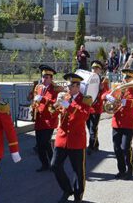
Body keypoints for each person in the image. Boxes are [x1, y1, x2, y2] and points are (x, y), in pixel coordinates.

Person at [52, 73, 94, 203]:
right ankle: (66, 189)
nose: (67, 88)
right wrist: (54, 106)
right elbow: (53, 112)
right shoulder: (65, 97)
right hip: (62, 138)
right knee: (54, 165)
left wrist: (68, 106)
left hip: (76, 140)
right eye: (67, 85)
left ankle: (77, 197)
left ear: (77, 86)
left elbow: (83, 117)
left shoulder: (85, 99)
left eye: (69, 85)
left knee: (78, 171)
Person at [102, 68, 133, 180]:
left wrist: (128, 102)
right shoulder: (117, 86)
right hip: (117, 122)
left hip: (129, 122)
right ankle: (121, 170)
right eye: (124, 77)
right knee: (117, 148)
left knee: (125, 147)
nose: (125, 79)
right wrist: (108, 97)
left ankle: (129, 169)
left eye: (128, 77)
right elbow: (104, 95)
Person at [33, 64, 60, 172]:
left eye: (46, 77)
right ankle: (45, 164)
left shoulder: (56, 89)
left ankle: (54, 163)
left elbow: (56, 103)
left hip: (50, 120)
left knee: (45, 142)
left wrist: (43, 99)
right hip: (39, 119)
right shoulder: (39, 88)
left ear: (51, 78)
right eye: (43, 76)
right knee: (40, 145)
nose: (44, 79)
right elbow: (35, 100)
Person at [87, 60, 110, 155]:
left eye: (96, 68)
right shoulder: (87, 79)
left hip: (96, 108)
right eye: (93, 68)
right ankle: (96, 144)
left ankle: (91, 147)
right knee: (90, 128)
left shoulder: (103, 79)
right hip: (87, 107)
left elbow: (107, 93)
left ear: (100, 70)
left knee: (93, 128)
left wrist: (102, 89)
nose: (94, 70)